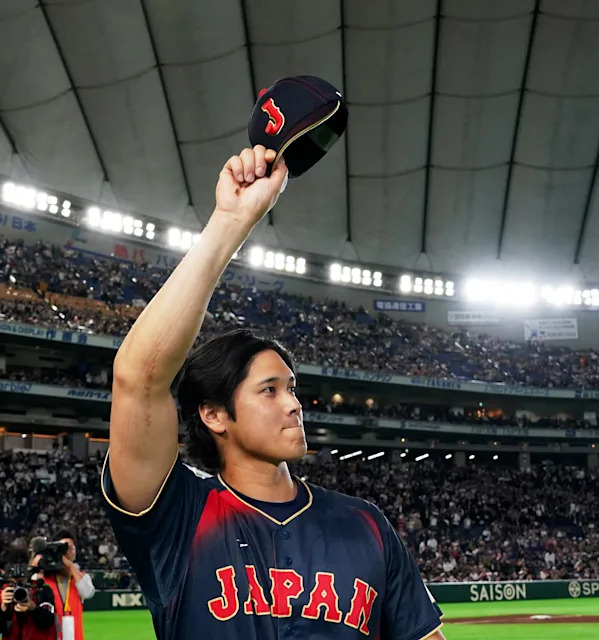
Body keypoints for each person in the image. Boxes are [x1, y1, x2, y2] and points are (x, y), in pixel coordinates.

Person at [100, 146, 446, 639]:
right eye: (268, 390)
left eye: (292, 388)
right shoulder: (175, 515)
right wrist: (232, 220)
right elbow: (139, 377)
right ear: (215, 415)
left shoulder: (365, 523)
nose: (293, 403)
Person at [38, 531, 95, 640]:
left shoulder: (81, 577)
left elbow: (87, 592)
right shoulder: (44, 578)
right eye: (62, 548)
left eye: (70, 548)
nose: (66, 552)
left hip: (75, 635)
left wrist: (71, 566)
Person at [0, 549, 57, 640]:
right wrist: (3, 609)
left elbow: (48, 623)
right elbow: (2, 630)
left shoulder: (41, 589)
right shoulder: (4, 592)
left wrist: (33, 608)